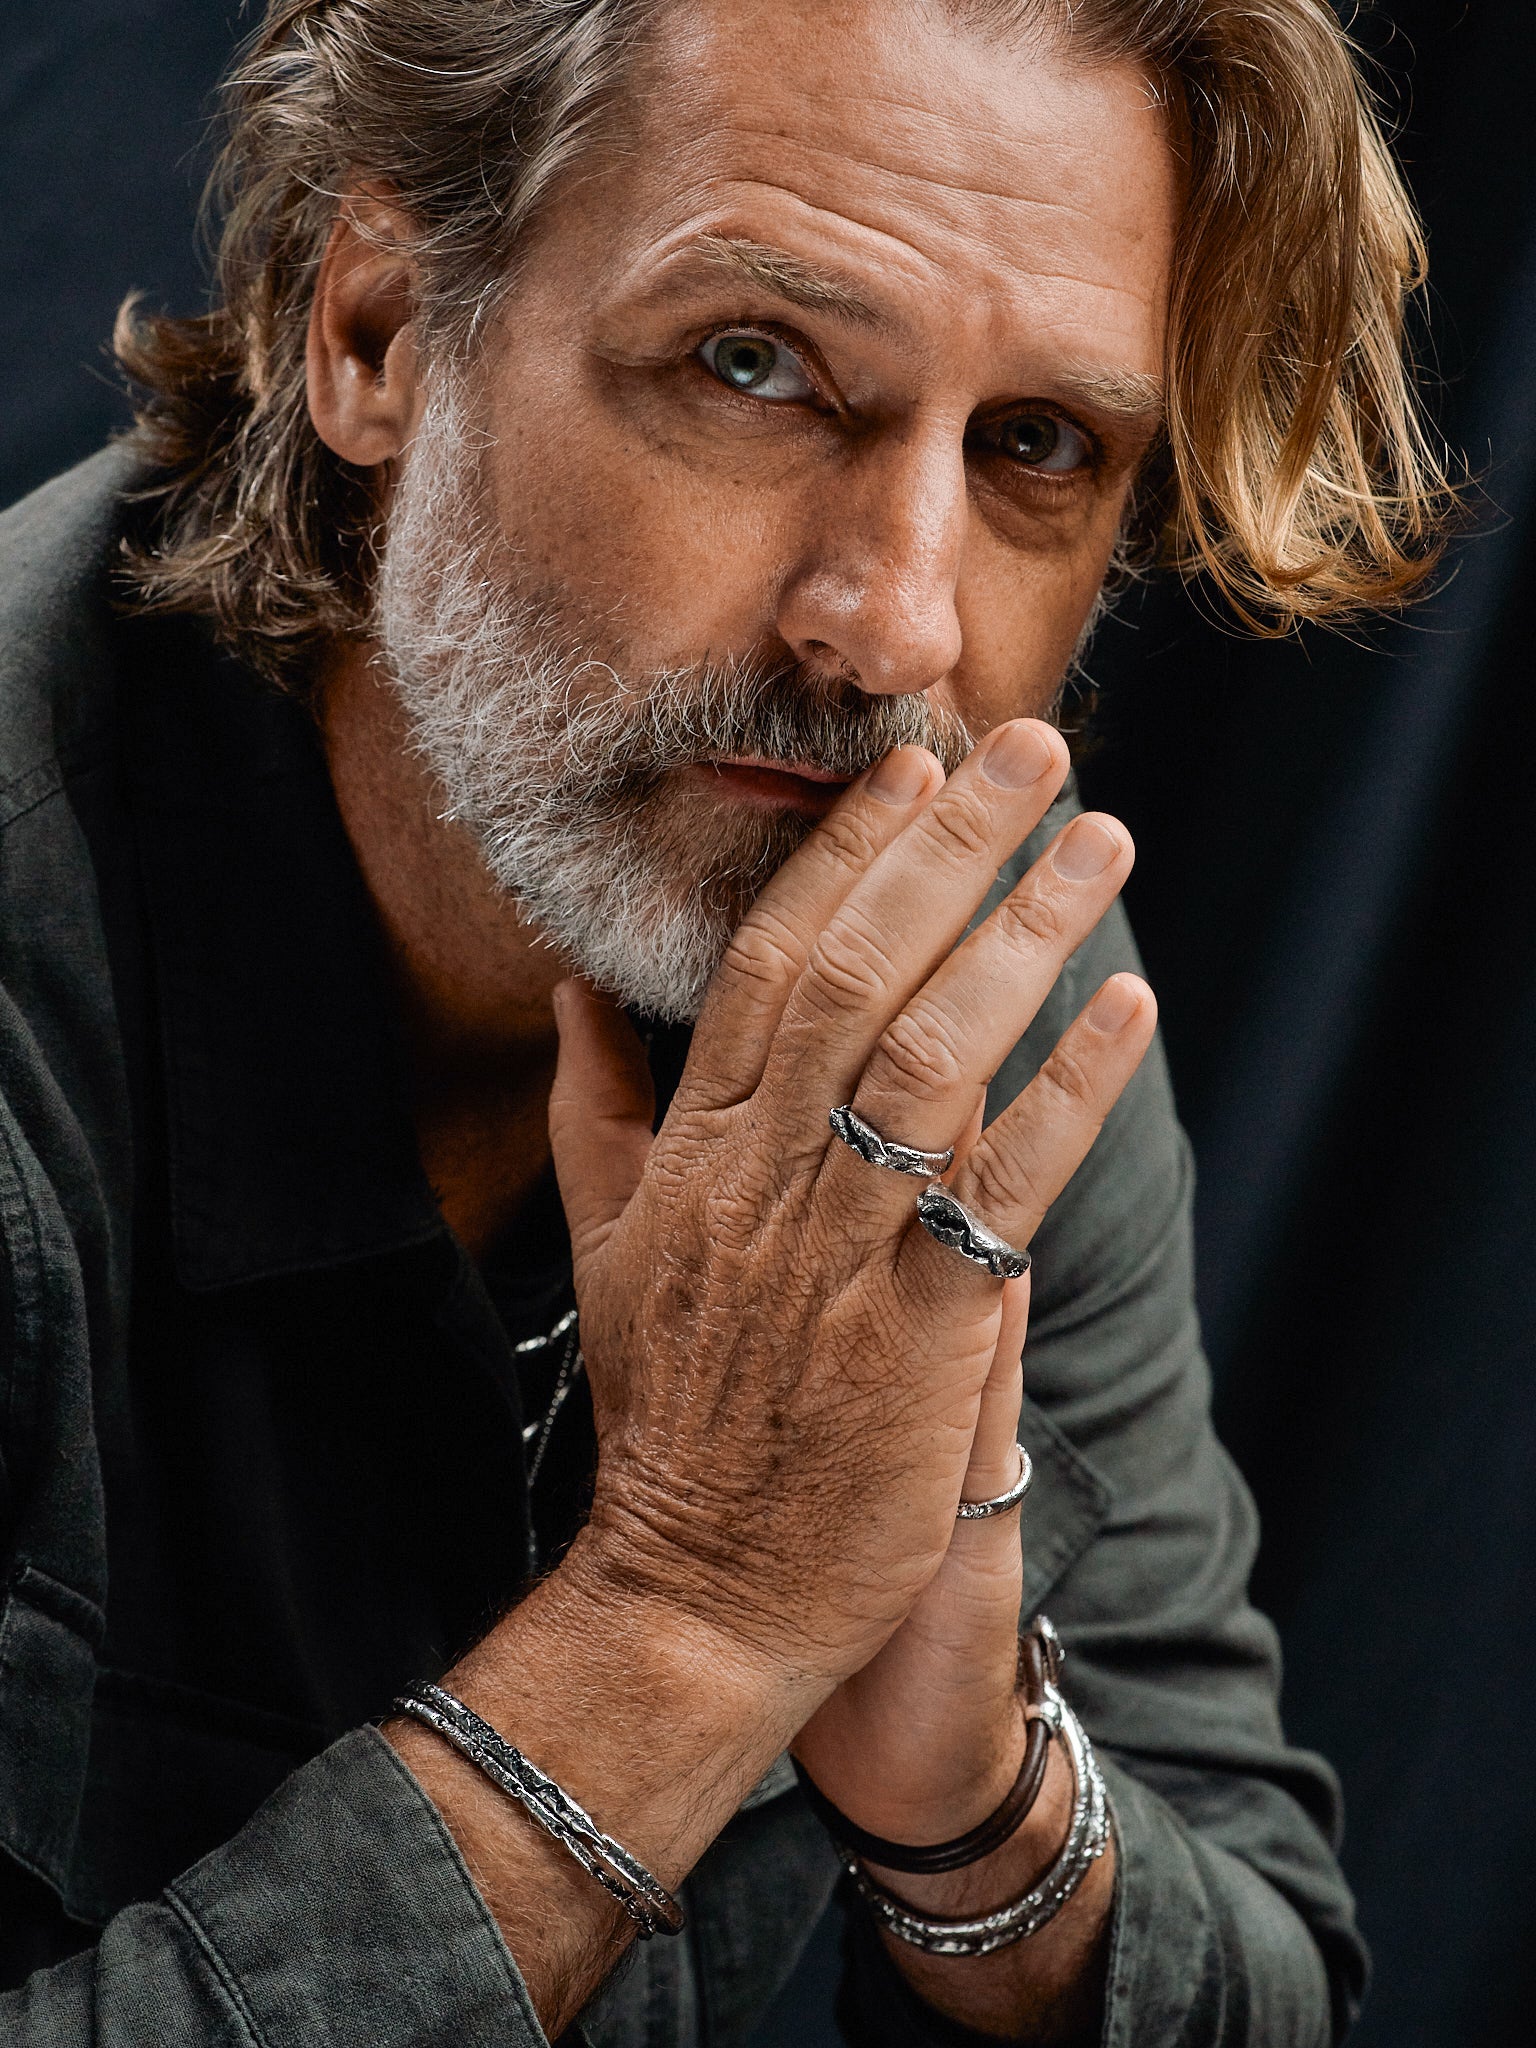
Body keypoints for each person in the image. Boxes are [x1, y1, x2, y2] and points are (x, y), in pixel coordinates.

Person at [0, 1, 1449, 2041]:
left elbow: (1267, 1952)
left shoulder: (958, 977)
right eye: (753, 367)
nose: (897, 625)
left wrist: (973, 1803)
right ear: (379, 332)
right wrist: (689, 1625)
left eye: (1036, 446)